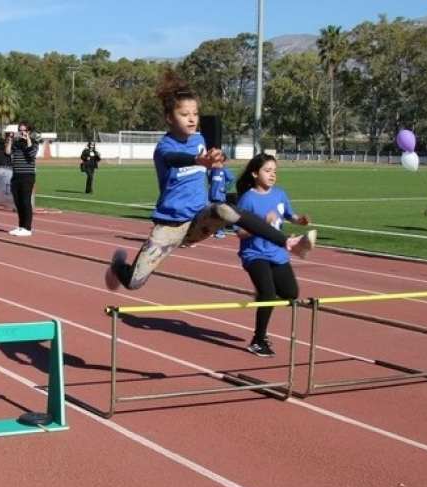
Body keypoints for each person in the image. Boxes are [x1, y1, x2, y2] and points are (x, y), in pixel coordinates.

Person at [105, 72, 317, 292]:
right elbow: (172, 159)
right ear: (169, 118)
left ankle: (289, 243)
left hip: (199, 219)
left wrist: (215, 159)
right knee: (133, 283)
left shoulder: (199, 139)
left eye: (195, 113)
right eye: (184, 114)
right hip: (171, 225)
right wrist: (197, 160)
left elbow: (212, 158)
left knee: (225, 210)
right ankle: (119, 266)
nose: (192, 119)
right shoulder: (164, 148)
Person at [235, 153, 311, 357]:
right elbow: (240, 232)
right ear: (254, 173)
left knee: (291, 294)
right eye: (267, 171)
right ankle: (258, 340)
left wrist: (299, 220)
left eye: (275, 171)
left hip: (277, 253)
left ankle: (263, 290)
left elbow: (288, 213)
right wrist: (263, 224)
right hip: (255, 254)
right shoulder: (247, 199)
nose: (272, 175)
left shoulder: (279, 194)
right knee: (268, 294)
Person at [6, 122, 38, 235]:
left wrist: (28, 139)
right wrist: (10, 139)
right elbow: (8, 152)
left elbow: (32, 154)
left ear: (28, 131)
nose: (21, 132)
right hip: (16, 175)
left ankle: (27, 228)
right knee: (18, 202)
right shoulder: (17, 143)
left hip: (27, 176)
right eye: (20, 130)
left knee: (26, 202)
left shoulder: (34, 143)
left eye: (24, 130)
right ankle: (21, 226)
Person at [209, 153, 235, 238]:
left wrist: (225, 189)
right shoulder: (213, 170)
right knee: (212, 214)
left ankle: (221, 231)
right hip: (212, 195)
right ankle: (213, 230)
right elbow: (210, 180)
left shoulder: (224, 170)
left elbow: (231, 180)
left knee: (220, 214)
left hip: (220, 196)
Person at [0, 135, 14, 210]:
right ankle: (10, 202)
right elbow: (8, 152)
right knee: (9, 186)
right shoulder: (5, 148)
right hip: (7, 169)